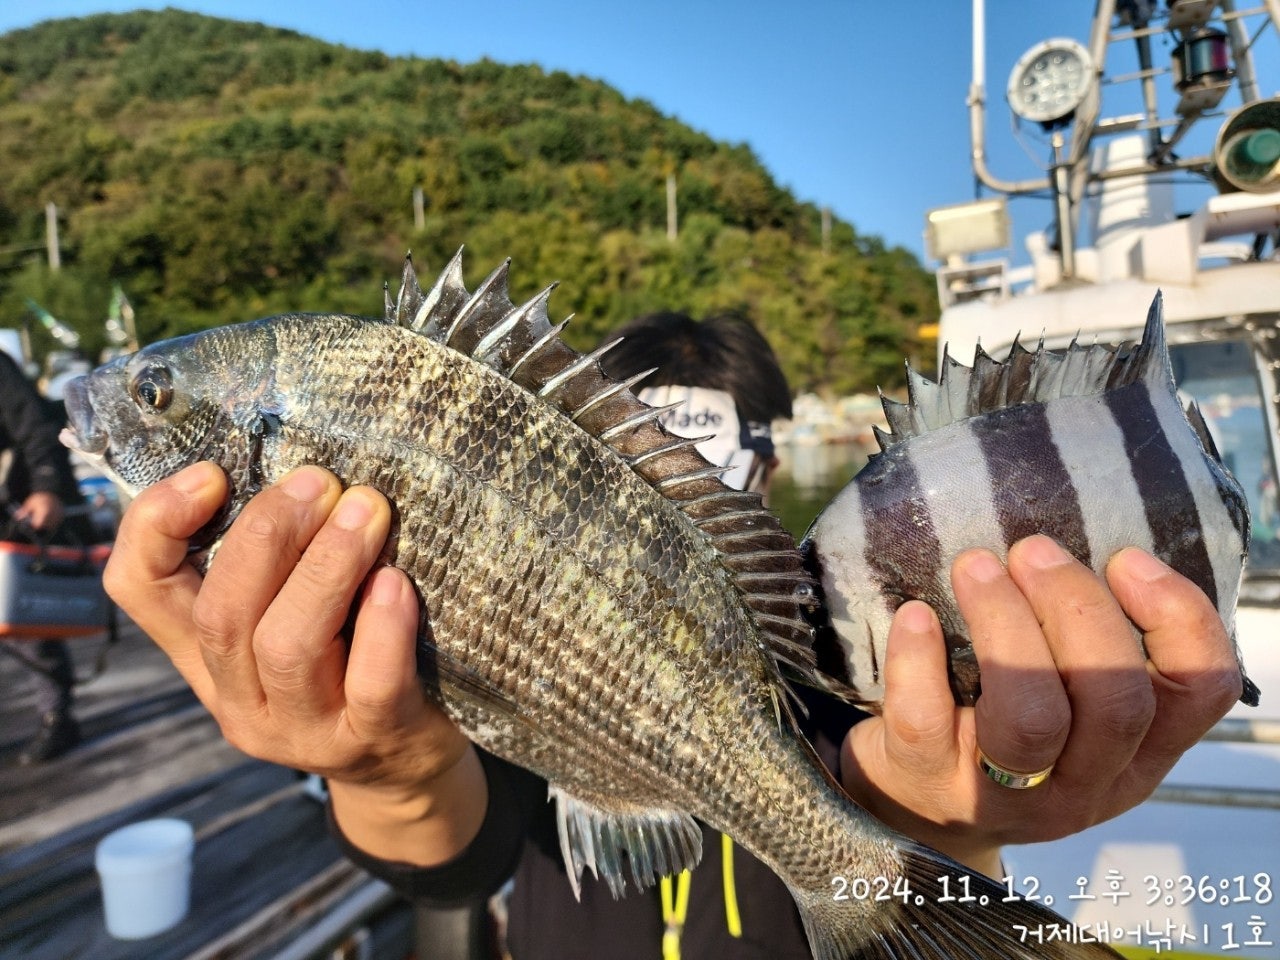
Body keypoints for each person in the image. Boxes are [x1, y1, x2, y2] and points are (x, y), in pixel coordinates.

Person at [103, 312, 1243, 958]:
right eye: (650, 447)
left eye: (714, 458)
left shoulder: (852, 630)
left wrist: (955, 818)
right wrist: (383, 766)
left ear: (761, 462)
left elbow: (909, 781)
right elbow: (461, 844)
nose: (693, 480)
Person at [1, 348, 90, 764]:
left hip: (11, 521)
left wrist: (47, 487)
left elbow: (35, 426)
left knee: (28, 625)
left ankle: (57, 716)